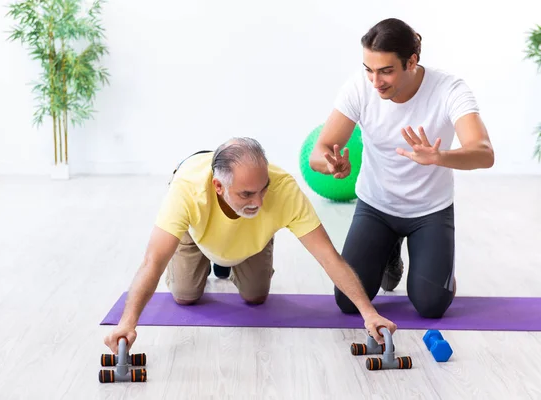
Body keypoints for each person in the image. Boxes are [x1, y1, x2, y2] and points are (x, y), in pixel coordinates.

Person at [104, 137, 397, 353]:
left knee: (256, 297)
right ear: (219, 187)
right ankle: (209, 258)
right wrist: (127, 322)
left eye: (263, 189)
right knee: (184, 295)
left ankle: (228, 258)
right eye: (246, 194)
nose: (258, 202)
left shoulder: (282, 190)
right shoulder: (187, 190)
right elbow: (153, 261)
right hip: (198, 231)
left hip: (249, 236)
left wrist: (368, 312)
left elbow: (328, 256)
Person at [309, 18, 495, 318]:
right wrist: (330, 165)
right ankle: (389, 252)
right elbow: (318, 152)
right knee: (347, 301)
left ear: (412, 61)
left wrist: (440, 157)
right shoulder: (360, 86)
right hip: (376, 206)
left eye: (385, 71)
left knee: (432, 304)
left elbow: (484, 153)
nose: (375, 81)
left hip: (430, 211)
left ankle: (435, 268)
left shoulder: (449, 89)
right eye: (369, 69)